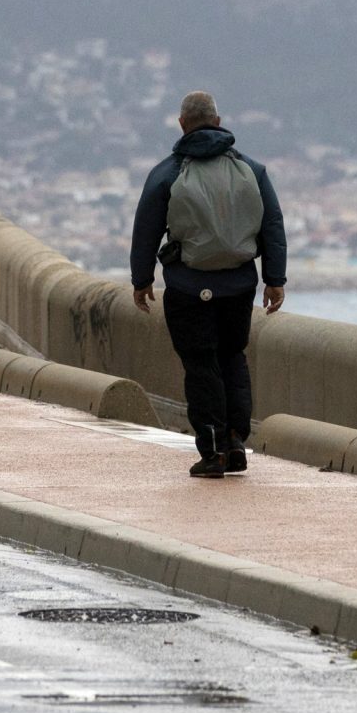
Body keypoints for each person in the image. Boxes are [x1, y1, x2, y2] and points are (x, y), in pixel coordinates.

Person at [129, 90, 286, 478]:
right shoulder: (252, 169)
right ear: (218, 121)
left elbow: (146, 229)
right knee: (233, 358)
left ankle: (212, 450)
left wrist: (142, 279)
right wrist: (275, 279)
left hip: (187, 286)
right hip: (238, 286)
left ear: (182, 124)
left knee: (201, 365)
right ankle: (236, 443)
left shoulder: (167, 172)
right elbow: (272, 226)